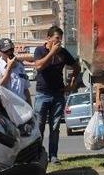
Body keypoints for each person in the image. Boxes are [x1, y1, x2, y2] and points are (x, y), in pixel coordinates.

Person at [34, 26, 81, 165]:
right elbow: (39, 66)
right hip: (42, 93)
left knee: (55, 127)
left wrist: (72, 83)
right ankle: (38, 156)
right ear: (48, 38)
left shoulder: (63, 52)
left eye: (60, 39)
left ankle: (53, 156)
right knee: (39, 126)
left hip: (58, 93)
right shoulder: (40, 50)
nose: (58, 42)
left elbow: (76, 66)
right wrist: (52, 53)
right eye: (56, 39)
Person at [0, 38, 31, 103]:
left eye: (11, 49)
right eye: (6, 51)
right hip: (7, 106)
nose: (9, 53)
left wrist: (30, 106)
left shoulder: (20, 65)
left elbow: (25, 89)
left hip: (22, 104)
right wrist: (9, 67)